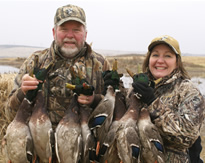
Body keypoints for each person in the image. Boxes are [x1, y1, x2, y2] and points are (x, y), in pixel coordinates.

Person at [6, 4, 111, 129]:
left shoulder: (100, 64)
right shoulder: (35, 62)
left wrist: (94, 100)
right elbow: (9, 115)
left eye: (76, 30)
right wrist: (22, 92)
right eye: (64, 29)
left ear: (85, 34)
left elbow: (117, 115)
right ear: (54, 32)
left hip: (84, 145)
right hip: (41, 145)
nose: (70, 35)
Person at [132, 35, 205, 162]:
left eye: (168, 56)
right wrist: (111, 89)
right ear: (148, 59)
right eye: (155, 55)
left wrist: (152, 102)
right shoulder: (139, 88)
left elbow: (186, 136)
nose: (160, 61)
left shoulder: (189, 92)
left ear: (177, 62)